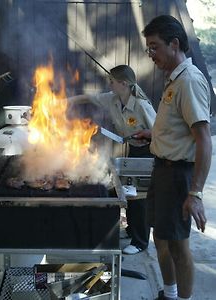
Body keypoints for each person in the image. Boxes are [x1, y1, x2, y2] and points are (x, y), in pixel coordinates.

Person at [137, 15, 212, 300]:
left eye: (155, 47)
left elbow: (203, 139)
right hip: (163, 170)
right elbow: (177, 128)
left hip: (179, 175)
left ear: (175, 44)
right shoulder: (174, 79)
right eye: (149, 48)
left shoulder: (189, 81)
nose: (151, 54)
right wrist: (153, 135)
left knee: (179, 246)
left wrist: (195, 193)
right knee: (160, 237)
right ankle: (168, 294)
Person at [67, 64, 156, 255]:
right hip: (134, 150)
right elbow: (88, 97)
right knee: (130, 193)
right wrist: (64, 101)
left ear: (123, 83)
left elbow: (160, 132)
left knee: (140, 198)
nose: (109, 84)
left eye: (112, 81)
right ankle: (132, 230)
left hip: (148, 153)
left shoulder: (141, 105)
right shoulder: (112, 99)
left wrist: (146, 135)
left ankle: (140, 242)